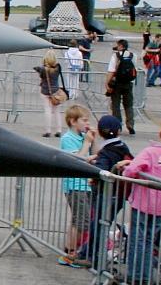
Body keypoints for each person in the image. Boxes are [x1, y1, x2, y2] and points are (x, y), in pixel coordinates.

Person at [120, 119, 161, 285]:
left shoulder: (151, 152)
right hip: (160, 205)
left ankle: (135, 274)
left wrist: (125, 171)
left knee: (137, 238)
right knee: (150, 240)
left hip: (143, 201)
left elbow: (131, 170)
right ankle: (146, 275)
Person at [83, 115, 133, 265]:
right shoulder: (122, 147)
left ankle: (91, 254)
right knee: (102, 223)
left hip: (107, 194)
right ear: (118, 131)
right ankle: (89, 252)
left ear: (99, 131)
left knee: (98, 224)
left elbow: (101, 170)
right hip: (119, 194)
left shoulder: (107, 152)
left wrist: (93, 175)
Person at [58, 104, 96, 267]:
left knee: (78, 220)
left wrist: (93, 139)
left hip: (85, 184)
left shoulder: (82, 137)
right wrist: (87, 143)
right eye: (84, 120)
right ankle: (71, 251)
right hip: (75, 184)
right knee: (82, 221)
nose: (87, 123)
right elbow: (78, 159)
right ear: (73, 122)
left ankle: (71, 249)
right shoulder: (68, 139)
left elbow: (94, 153)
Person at [104, 38, 137, 135]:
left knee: (116, 105)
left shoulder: (115, 56)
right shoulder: (133, 55)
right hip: (128, 83)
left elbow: (111, 71)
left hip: (117, 83)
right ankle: (130, 124)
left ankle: (118, 125)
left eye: (117, 45)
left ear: (121, 46)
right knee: (129, 104)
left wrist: (107, 83)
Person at [35, 49, 67, 138]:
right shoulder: (58, 67)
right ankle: (58, 130)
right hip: (56, 91)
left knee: (47, 110)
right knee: (57, 111)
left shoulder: (43, 69)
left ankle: (48, 130)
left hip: (45, 91)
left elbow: (38, 71)